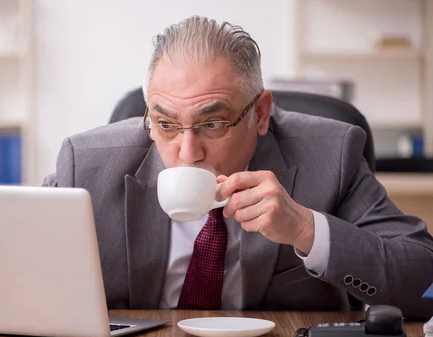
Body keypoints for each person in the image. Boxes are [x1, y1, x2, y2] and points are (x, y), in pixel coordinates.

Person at [43, 16, 433, 319]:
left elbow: (424, 279)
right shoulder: (87, 164)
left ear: (261, 113)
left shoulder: (332, 156)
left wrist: (305, 229)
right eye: (166, 124)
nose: (187, 152)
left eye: (212, 123)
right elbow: (13, 270)